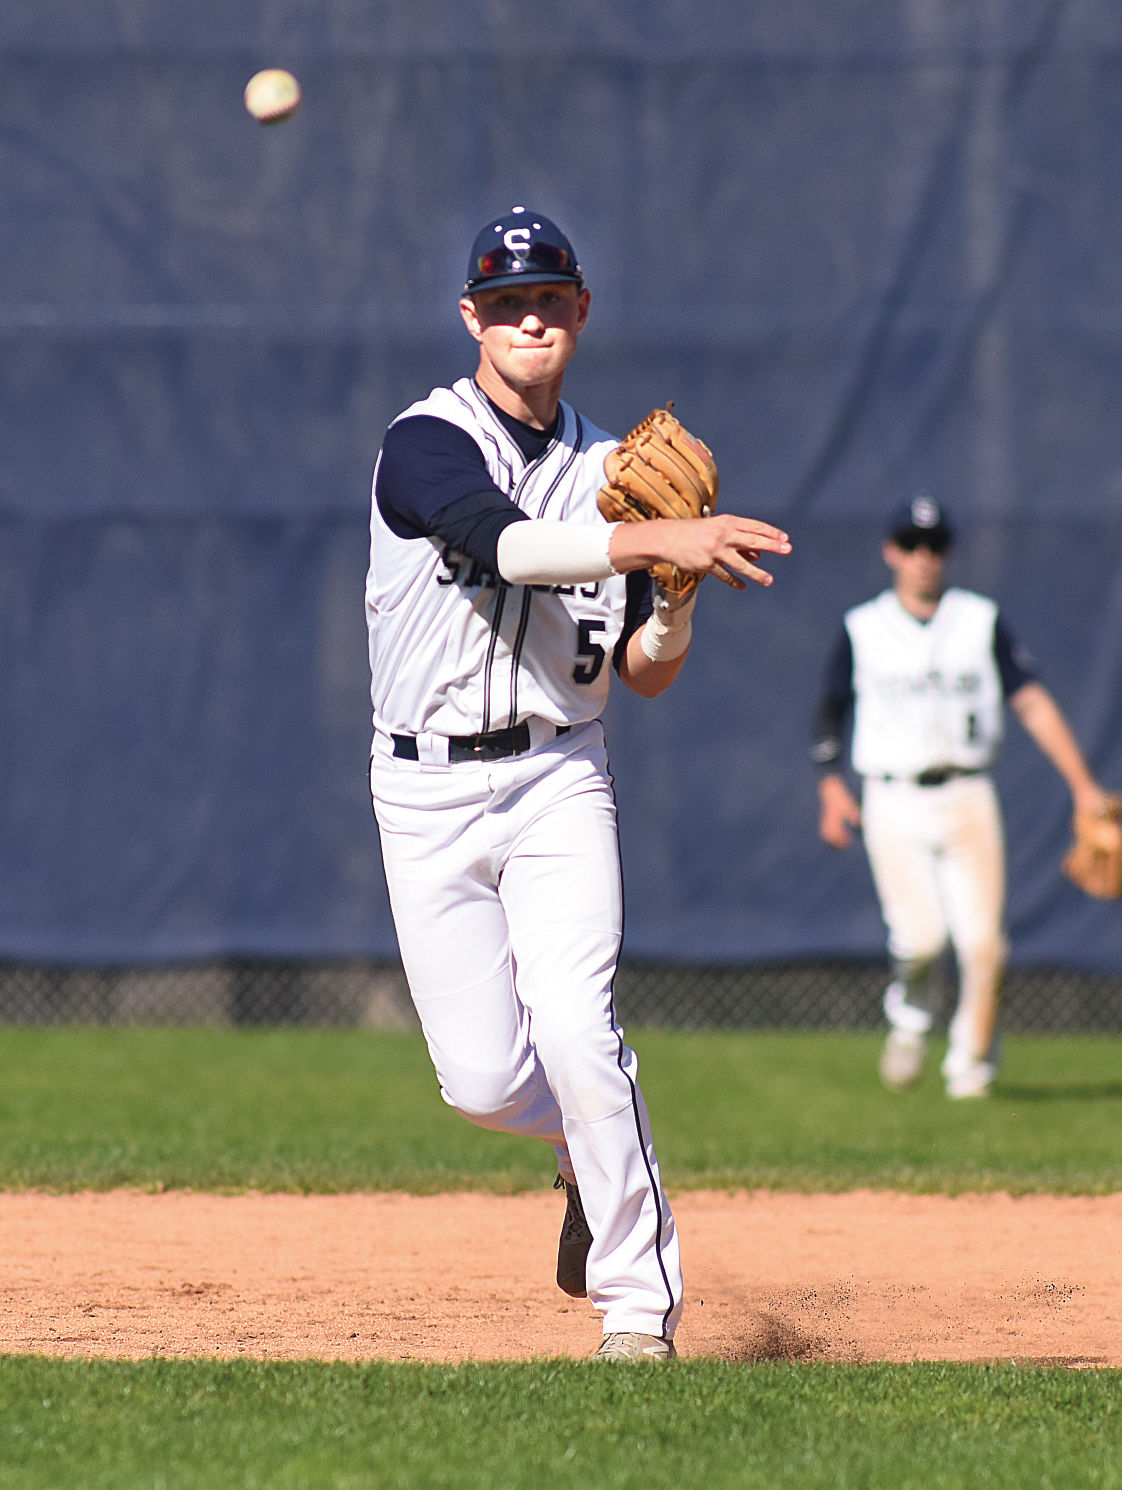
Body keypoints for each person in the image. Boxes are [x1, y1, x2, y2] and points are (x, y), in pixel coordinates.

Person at [365, 206, 791, 1360]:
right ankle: (577, 1152)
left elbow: (644, 674)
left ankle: (638, 1310)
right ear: (472, 318)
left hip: (559, 775)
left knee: (578, 1027)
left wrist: (681, 594)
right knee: (484, 1081)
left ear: (582, 309)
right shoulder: (424, 442)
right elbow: (503, 544)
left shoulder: (621, 472)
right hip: (424, 788)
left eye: (549, 297)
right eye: (505, 302)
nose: (529, 317)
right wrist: (660, 546)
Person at [811, 495, 1115, 1099]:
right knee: (921, 940)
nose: (925, 557)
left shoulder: (979, 620)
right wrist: (830, 789)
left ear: (948, 554)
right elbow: (829, 714)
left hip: (968, 795)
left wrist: (1084, 787)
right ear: (891, 552)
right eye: (913, 545)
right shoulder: (863, 627)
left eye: (936, 546)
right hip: (892, 797)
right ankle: (911, 1020)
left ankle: (970, 1071)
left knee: (984, 945)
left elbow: (1031, 701)